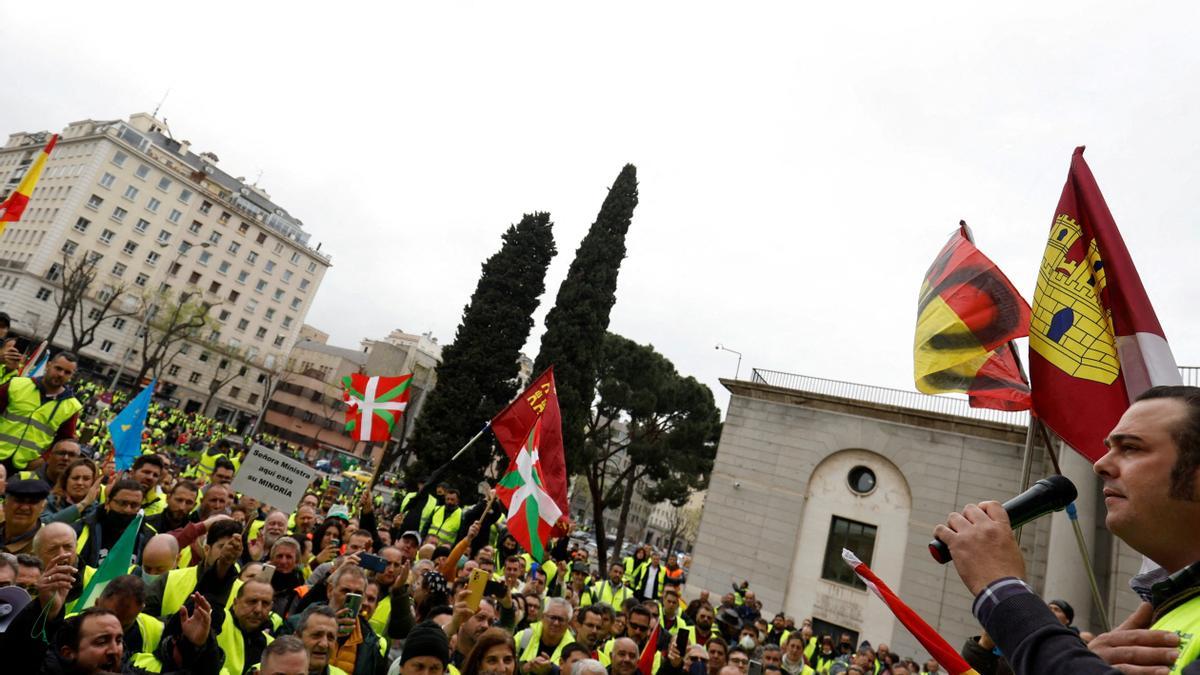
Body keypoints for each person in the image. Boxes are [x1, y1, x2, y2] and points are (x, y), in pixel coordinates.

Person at [935, 386, 1200, 675]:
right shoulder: (1172, 609)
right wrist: (1084, 665)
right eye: (1109, 447)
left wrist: (1003, 589)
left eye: (1131, 448)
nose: (1100, 464)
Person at [0, 351, 82, 472]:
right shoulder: (17, 385)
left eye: (67, 372)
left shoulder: (72, 406)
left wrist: (44, 459)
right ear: (48, 365)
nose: (61, 374)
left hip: (26, 468)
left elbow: (63, 441)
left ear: (71, 376)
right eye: (58, 368)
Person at [74, 478, 155, 568]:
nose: (127, 509)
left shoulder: (150, 536)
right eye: (122, 503)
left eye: (134, 505)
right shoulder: (81, 528)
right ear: (107, 502)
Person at [217, 578, 277, 675]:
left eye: (265, 603)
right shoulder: (218, 622)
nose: (258, 609)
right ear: (235, 603)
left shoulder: (271, 646)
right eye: (252, 601)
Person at [516, 596, 574, 669]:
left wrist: (550, 671)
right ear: (543, 617)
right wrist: (524, 669)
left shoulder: (572, 651)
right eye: (552, 617)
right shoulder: (524, 636)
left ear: (568, 624)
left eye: (561, 620)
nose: (556, 623)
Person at [0, 474, 50, 554]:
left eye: (33, 502)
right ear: (4, 505)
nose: (24, 508)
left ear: (42, 508)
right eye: (19, 500)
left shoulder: (48, 543)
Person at [43, 455, 100, 524]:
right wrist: (83, 504)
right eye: (75, 478)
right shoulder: (49, 500)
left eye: (86, 479)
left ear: (94, 483)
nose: (79, 483)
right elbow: (45, 523)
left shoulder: (97, 509)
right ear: (65, 480)